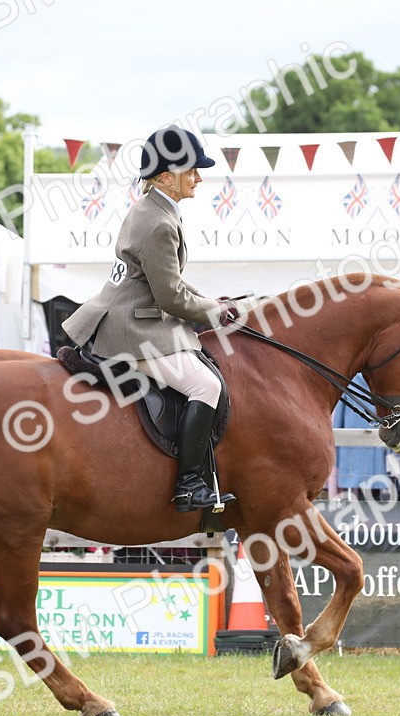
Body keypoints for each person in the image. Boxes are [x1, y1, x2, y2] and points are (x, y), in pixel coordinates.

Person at [62, 125, 253, 512]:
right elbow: (171, 296)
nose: (199, 177)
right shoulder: (159, 223)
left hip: (134, 313)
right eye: (191, 171)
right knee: (205, 387)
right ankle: (189, 484)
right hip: (133, 328)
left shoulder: (156, 209)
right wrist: (215, 313)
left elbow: (173, 282)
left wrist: (212, 301)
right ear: (166, 176)